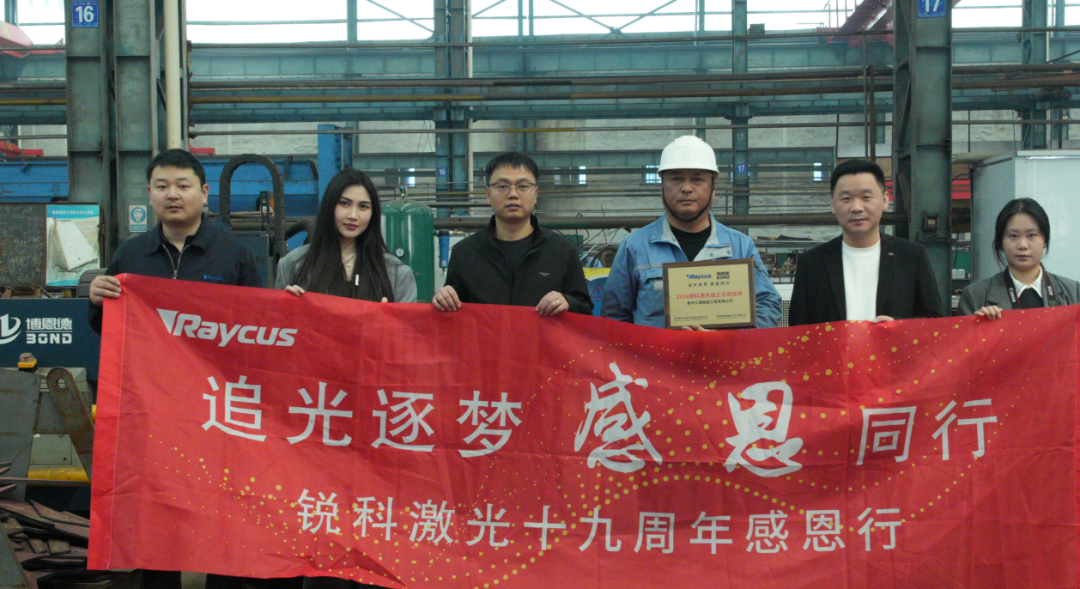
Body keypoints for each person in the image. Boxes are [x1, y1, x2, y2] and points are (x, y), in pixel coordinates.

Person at [87, 149, 283, 589]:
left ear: (204, 192)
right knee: (157, 513)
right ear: (150, 194)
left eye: (182, 185)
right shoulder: (131, 255)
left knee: (222, 511)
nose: (172, 195)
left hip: (217, 411)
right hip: (154, 412)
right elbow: (109, 329)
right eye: (162, 186)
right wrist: (98, 298)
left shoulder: (233, 255)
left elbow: (259, 330)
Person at [600, 135, 782, 328]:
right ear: (662, 187)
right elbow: (613, 319)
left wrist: (726, 339)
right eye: (676, 179)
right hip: (656, 350)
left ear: (713, 188)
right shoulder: (635, 248)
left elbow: (768, 305)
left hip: (721, 349)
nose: (686, 188)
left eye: (697, 179)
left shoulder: (741, 247)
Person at [431, 152, 592, 315]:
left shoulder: (562, 251)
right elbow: (451, 316)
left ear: (536, 194)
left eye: (523, 186)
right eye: (502, 186)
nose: (513, 194)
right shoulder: (465, 253)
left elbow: (586, 312)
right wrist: (442, 299)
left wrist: (567, 302)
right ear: (488, 194)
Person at [788, 158, 943, 326]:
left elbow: (934, 320)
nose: (856, 207)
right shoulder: (812, 263)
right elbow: (798, 329)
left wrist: (898, 326)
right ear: (833, 204)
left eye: (866, 197)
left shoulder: (911, 256)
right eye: (846, 199)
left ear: (885, 200)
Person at [276, 168, 417, 304]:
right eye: (344, 203)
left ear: (373, 213)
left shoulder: (397, 275)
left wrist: (388, 318)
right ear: (329, 206)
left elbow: (407, 321)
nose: (353, 215)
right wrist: (287, 308)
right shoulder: (293, 266)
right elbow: (275, 319)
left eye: (363, 206)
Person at [959, 198, 1080, 319]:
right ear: (1001, 241)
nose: (1023, 245)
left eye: (1031, 235)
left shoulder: (1074, 292)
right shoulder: (976, 296)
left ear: (1045, 240)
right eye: (1014, 236)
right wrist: (981, 326)